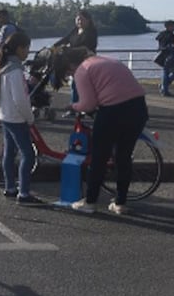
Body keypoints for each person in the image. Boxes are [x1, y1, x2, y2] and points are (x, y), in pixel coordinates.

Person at [51, 47, 148, 215]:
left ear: (70, 65)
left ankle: (90, 201)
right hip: (138, 108)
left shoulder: (83, 70)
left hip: (113, 111)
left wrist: (72, 106)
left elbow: (88, 104)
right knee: (123, 157)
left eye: (67, 72)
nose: (69, 75)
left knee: (99, 158)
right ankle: (120, 202)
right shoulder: (108, 60)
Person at [0, 31, 43, 206]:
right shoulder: (15, 70)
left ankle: (10, 187)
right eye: (27, 48)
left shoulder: (3, 65)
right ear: (19, 48)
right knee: (28, 155)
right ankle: (24, 193)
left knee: (9, 153)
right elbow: (20, 99)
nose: (28, 52)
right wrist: (30, 118)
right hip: (16, 117)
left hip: (4, 115)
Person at [155, 20, 174, 97]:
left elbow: (160, 45)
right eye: (173, 26)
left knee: (168, 72)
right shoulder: (170, 35)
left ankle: (164, 87)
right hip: (170, 55)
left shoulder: (161, 34)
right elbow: (173, 46)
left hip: (165, 55)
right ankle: (164, 89)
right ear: (168, 26)